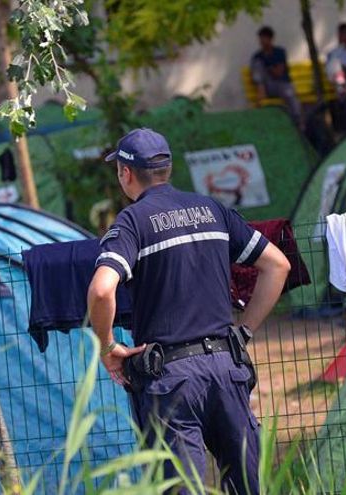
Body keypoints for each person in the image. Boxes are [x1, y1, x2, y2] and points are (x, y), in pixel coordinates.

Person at [87, 128, 290, 494]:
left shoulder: (132, 223)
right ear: (167, 167)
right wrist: (244, 331)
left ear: (125, 173)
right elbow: (278, 265)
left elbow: (102, 290)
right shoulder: (213, 209)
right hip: (228, 368)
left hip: (171, 380)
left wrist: (106, 346)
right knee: (249, 485)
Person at [250, 26, 303, 128]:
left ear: (270, 39)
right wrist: (270, 68)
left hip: (282, 83)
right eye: (260, 38)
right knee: (257, 64)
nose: (261, 41)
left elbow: (279, 72)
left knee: (289, 94)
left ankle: (299, 123)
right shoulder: (258, 56)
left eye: (264, 38)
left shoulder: (279, 52)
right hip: (267, 85)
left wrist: (268, 69)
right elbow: (259, 71)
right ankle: (261, 89)